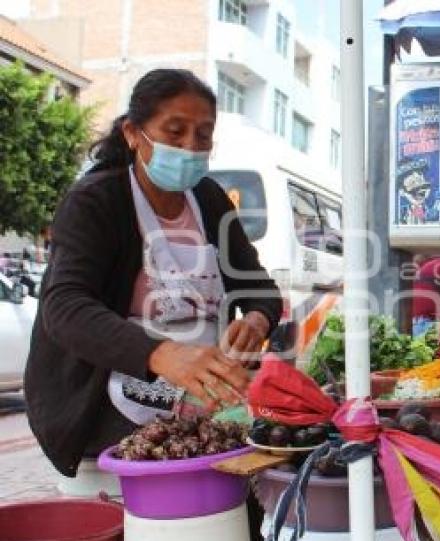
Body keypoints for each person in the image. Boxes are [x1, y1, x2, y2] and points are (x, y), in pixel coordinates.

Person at [24, 69, 281, 501]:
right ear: (133, 133)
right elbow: (65, 306)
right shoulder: (97, 201)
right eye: (174, 132)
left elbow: (259, 286)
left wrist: (256, 318)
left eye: (203, 135)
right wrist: (161, 355)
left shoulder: (210, 200)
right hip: (107, 408)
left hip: (202, 403)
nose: (190, 148)